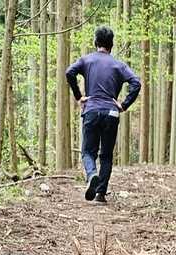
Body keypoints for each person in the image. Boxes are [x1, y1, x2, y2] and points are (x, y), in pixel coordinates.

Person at [65, 27, 141, 204]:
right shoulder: (119, 65)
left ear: (95, 42)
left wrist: (78, 96)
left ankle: (92, 174)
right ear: (111, 45)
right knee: (106, 155)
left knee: (87, 152)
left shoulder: (86, 60)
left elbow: (69, 72)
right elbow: (136, 83)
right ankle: (100, 194)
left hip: (91, 109)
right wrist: (123, 105)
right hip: (112, 112)